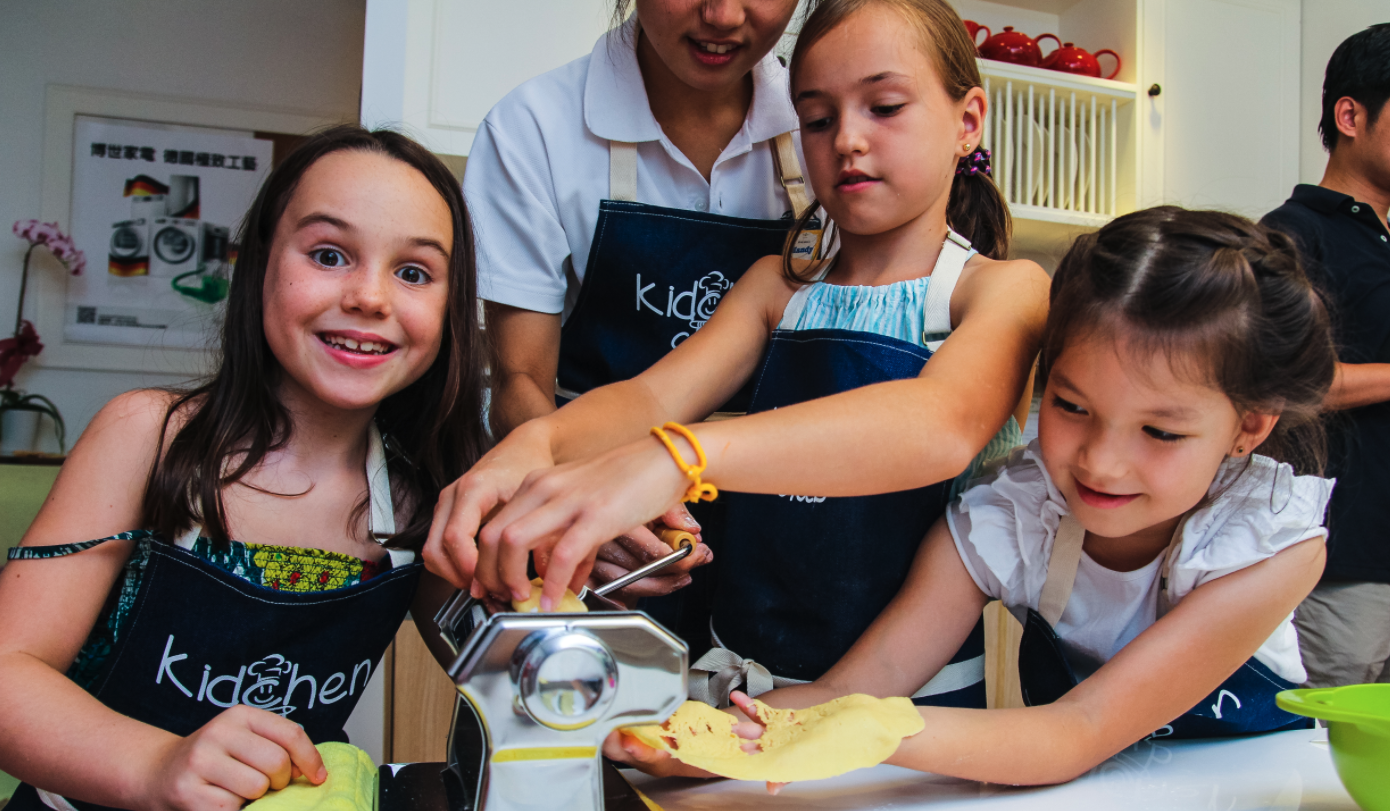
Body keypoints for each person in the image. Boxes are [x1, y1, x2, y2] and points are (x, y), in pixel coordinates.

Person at [428, 0, 1047, 709]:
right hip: (740, 692)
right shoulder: (775, 286)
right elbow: (651, 399)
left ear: (968, 122)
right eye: (817, 119)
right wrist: (535, 444)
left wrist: (675, 457)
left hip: (909, 714)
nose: (847, 140)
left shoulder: (1004, 291)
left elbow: (938, 424)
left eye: (884, 107)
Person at [610, 206, 1338, 786]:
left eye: (1160, 431)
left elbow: (1078, 729)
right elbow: (860, 686)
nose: (1101, 462)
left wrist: (876, 731)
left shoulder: (1270, 543)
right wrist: (701, 743)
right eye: (1071, 406)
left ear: (1248, 427)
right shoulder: (1015, 514)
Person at [0, 126, 489, 811]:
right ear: (259, 264)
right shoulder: (150, 437)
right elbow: (9, 672)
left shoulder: (419, 503)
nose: (370, 297)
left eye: (413, 272)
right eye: (328, 254)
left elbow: (516, 672)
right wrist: (155, 764)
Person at [462, 0, 809, 607]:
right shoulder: (534, 127)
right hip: (589, 527)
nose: (723, 15)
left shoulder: (826, 124)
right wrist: (578, 502)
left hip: (786, 537)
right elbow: (521, 378)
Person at [1260, 22, 1390, 688]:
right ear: (1350, 116)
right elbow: (1278, 386)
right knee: (1318, 746)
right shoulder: (1291, 234)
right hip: (1334, 559)